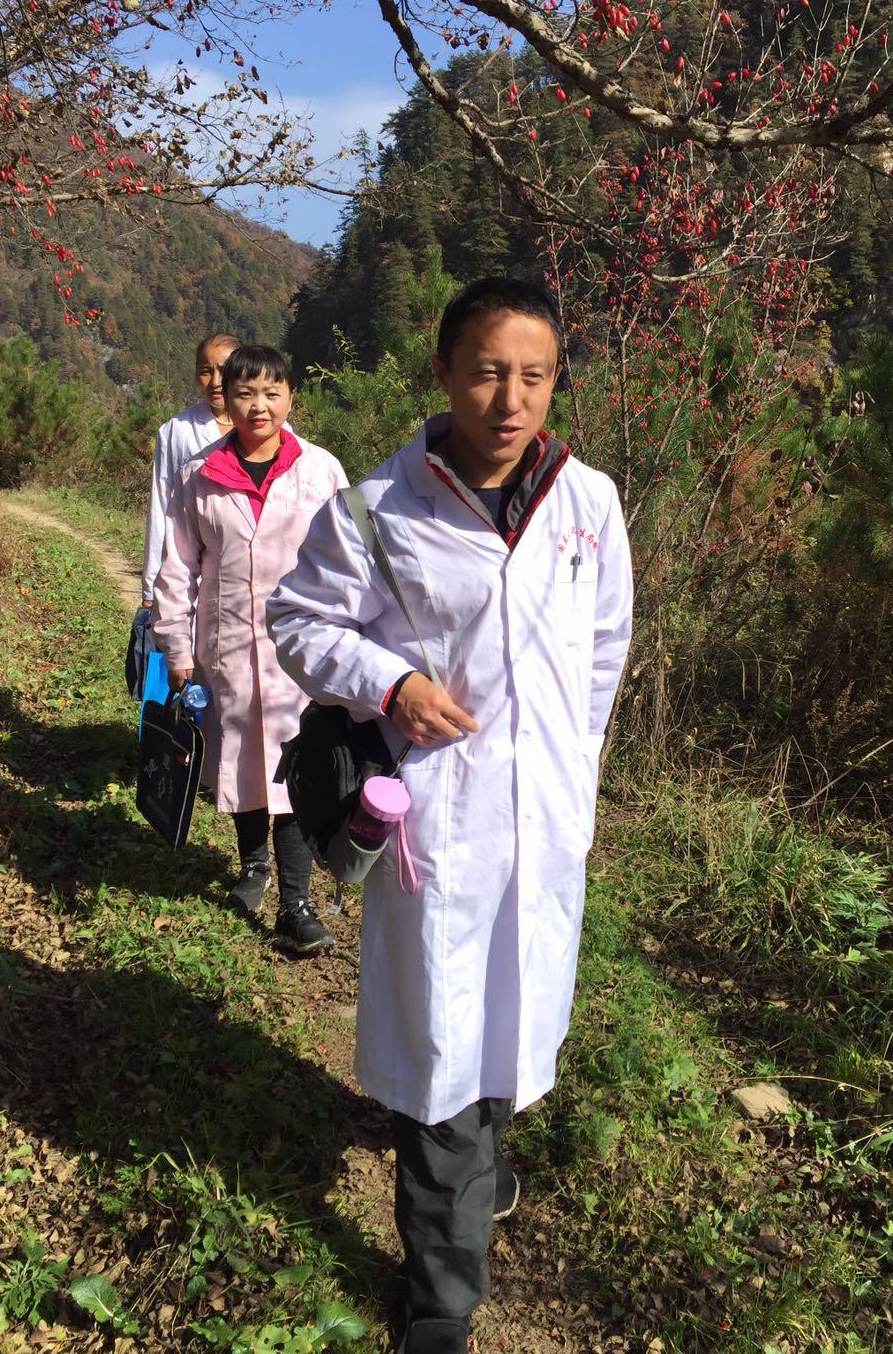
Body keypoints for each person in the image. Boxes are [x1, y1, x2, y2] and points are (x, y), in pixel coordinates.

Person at [266, 278, 634, 1353]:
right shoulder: (378, 508)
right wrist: (389, 684)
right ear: (443, 373)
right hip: (440, 819)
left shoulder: (588, 504)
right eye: (485, 372)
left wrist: (579, 774)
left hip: (544, 820)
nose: (509, 400)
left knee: (512, 1019)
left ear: (555, 383)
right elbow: (299, 620)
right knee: (438, 1045)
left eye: (533, 376)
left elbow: (604, 652)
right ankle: (441, 1296)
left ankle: (480, 1159)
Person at [152, 343, 348, 951]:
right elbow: (177, 568)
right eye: (245, 393)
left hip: (301, 644)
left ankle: (296, 903)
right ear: (226, 400)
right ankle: (253, 865)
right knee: (238, 757)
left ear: (290, 398)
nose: (258, 406)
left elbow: (350, 561)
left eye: (271, 393)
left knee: (291, 766)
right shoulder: (199, 475)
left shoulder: (321, 471)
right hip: (228, 640)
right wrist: (176, 650)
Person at [140, 332, 243, 610]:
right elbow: (161, 504)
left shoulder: (267, 427)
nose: (215, 381)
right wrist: (151, 584)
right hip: (189, 567)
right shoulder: (177, 431)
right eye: (205, 371)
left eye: (224, 370)